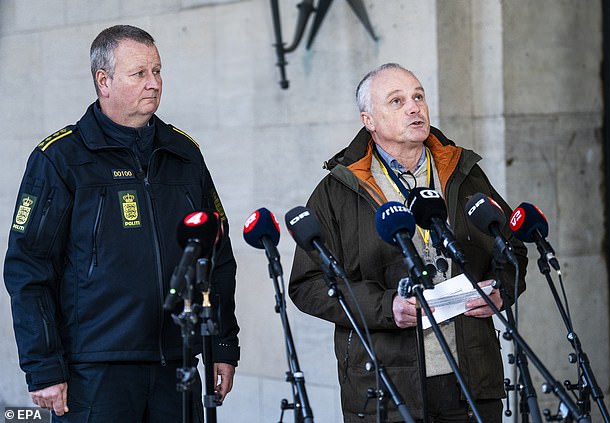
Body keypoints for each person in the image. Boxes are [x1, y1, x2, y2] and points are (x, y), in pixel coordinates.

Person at [3, 25, 240, 422]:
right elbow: (28, 269)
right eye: (140, 73)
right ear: (104, 81)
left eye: (158, 71)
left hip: (176, 364)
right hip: (95, 371)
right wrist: (43, 367)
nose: (154, 83)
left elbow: (216, 257)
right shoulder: (60, 159)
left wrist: (221, 346)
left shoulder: (184, 154)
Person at [288, 63, 528, 422]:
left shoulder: (463, 172)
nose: (414, 107)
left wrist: (501, 291)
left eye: (418, 96)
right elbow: (309, 284)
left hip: (472, 379)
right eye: (397, 101)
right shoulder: (338, 191)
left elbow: (511, 250)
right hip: (385, 386)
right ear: (369, 120)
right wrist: (387, 306)